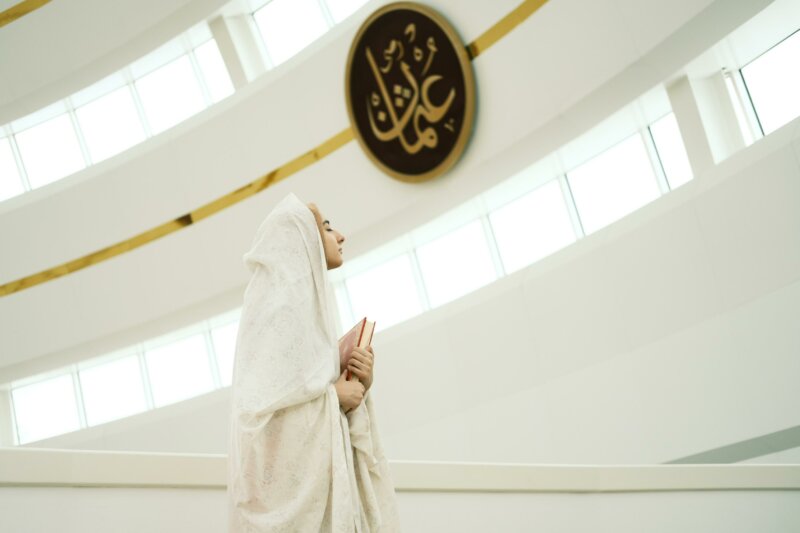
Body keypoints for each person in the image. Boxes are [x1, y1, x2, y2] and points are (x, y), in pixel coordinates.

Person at [228, 193, 400, 532]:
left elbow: (303, 393)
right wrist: (333, 397)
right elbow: (258, 426)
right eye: (326, 227)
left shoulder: (307, 314)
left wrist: (357, 380)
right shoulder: (277, 311)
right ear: (299, 238)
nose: (340, 236)